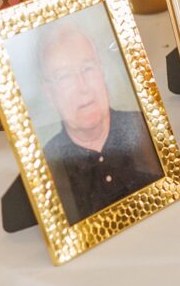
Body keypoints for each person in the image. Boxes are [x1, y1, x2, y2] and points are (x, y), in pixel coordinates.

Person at [38, 24, 163, 224]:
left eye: (87, 68)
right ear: (50, 94)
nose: (83, 87)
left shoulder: (147, 128)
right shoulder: (46, 168)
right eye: (64, 77)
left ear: (102, 73)